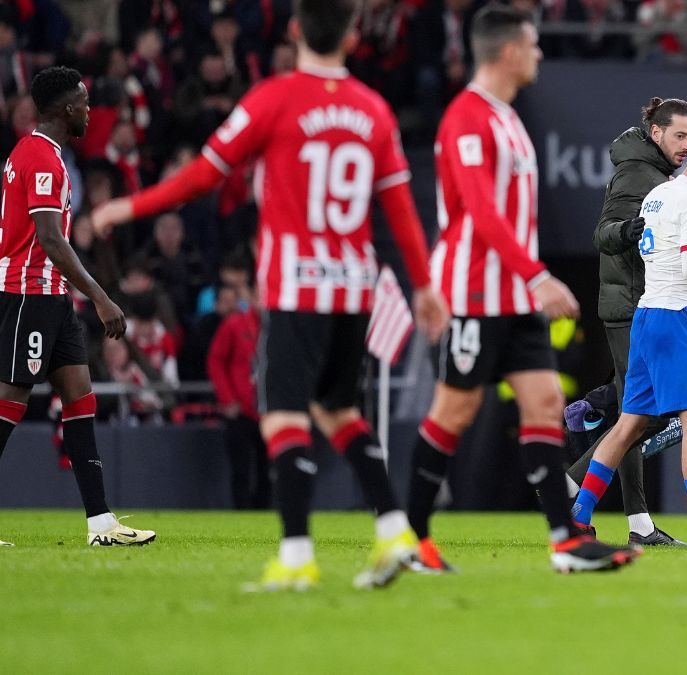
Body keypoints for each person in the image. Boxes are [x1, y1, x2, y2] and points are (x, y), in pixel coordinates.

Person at [92, 0, 449, 591]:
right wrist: (422, 284)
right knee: (339, 411)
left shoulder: (273, 98)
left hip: (297, 284)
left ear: (293, 29)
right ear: (354, 35)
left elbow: (203, 175)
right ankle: (393, 529)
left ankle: (296, 554)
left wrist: (127, 206)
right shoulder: (374, 109)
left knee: (284, 414)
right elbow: (402, 210)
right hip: (354, 286)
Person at [402, 4, 640, 574]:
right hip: (475, 294)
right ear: (509, 52)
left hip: (511, 296)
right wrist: (536, 274)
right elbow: (481, 210)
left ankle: (565, 541)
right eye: (533, 46)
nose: (539, 55)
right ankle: (408, 539)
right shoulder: (466, 116)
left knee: (544, 403)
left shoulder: (506, 117)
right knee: (454, 409)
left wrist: (525, 281)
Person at [0, 66, 156, 548]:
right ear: (65, 109)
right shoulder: (42, 158)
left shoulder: (41, 153)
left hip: (48, 293)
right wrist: (101, 298)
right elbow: (50, 238)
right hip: (26, 291)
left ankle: (101, 524)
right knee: (11, 400)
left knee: (80, 394)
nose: (88, 111)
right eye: (83, 103)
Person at [569, 128, 687, 548]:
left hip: (646, 315)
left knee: (629, 425)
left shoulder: (659, 195)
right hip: (677, 316)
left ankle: (576, 515)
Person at [564, 96, 687, 547]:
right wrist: (632, 229)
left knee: (635, 414)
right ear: (656, 133)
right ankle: (565, 488)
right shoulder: (639, 173)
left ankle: (639, 525)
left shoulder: (653, 172)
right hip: (631, 305)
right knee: (645, 415)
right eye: (679, 135)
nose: (686, 146)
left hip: (639, 303)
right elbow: (604, 232)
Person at [207, 292, 270, 509]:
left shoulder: (277, 328)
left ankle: (265, 515)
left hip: (268, 410)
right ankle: (242, 514)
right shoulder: (235, 324)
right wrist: (228, 399)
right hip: (240, 410)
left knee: (268, 470)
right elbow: (216, 360)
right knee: (241, 469)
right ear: (253, 298)